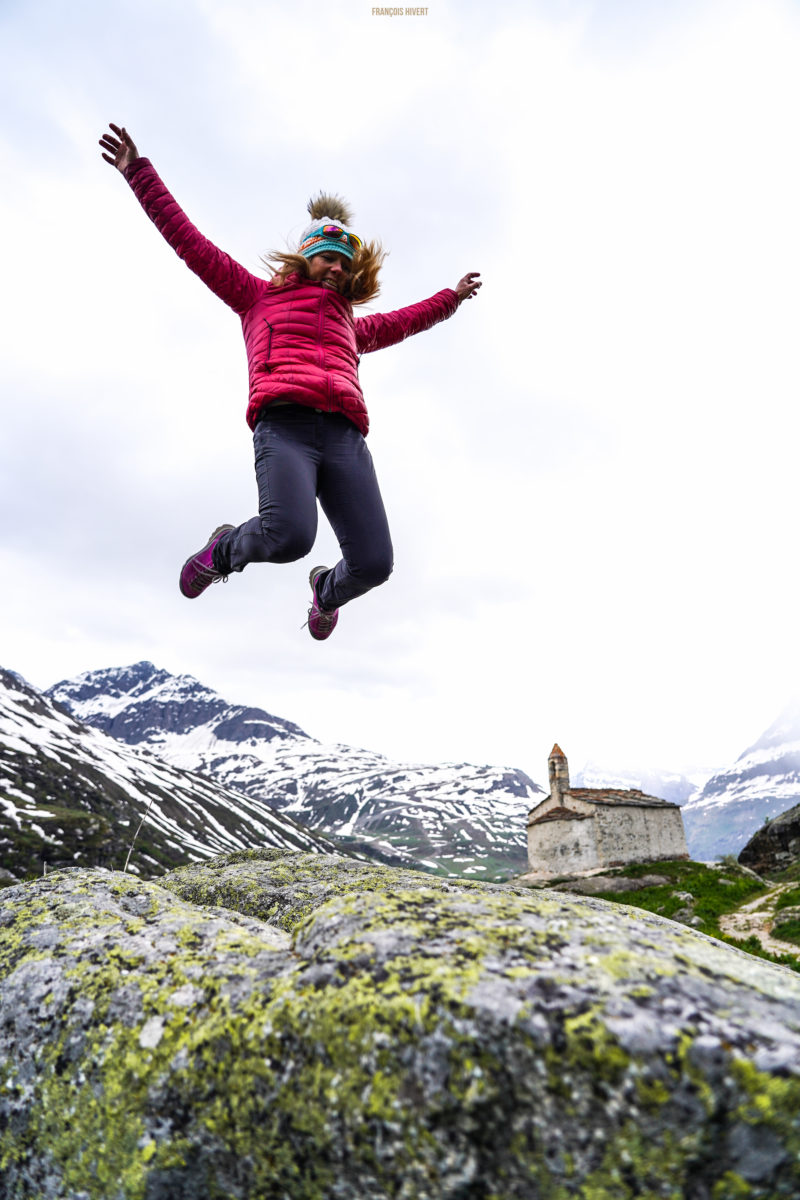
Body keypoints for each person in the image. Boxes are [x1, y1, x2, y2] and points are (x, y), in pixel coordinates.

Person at [99, 123, 482, 641]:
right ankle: (222, 551)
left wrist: (450, 299)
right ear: (306, 255)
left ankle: (326, 592)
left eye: (345, 266)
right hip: (285, 428)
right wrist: (137, 173)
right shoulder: (256, 296)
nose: (337, 271)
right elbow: (189, 242)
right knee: (289, 536)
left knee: (374, 563)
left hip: (345, 438)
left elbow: (405, 320)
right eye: (328, 258)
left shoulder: (352, 325)